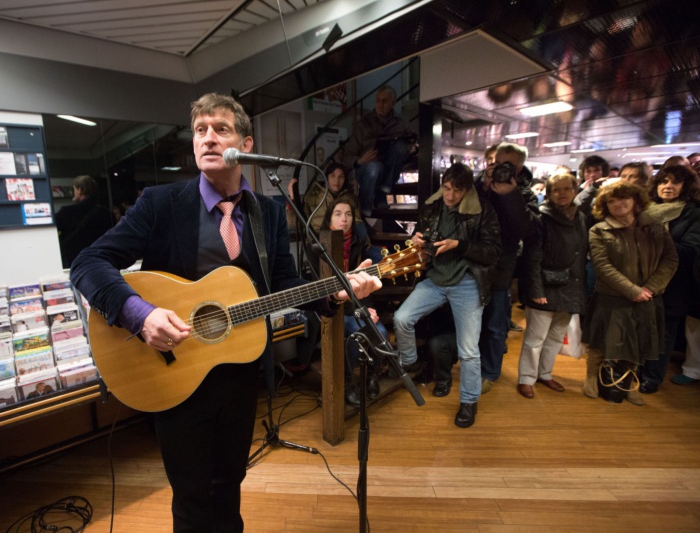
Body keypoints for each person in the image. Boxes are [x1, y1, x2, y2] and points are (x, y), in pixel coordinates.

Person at [70, 93, 381, 532]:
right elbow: (88, 264)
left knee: (230, 483)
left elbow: (283, 286)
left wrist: (336, 292)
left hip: (238, 373)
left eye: (221, 129)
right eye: (200, 130)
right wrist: (141, 315)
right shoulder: (160, 204)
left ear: (246, 143)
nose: (208, 139)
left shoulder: (268, 212)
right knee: (192, 497)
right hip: (174, 373)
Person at [392, 163, 501, 428]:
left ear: (468, 190)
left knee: (468, 351)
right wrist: (417, 239)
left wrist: (459, 245)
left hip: (466, 282)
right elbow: (424, 238)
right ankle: (408, 361)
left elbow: (492, 251)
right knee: (402, 318)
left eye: (457, 190)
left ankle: (468, 402)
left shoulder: (482, 209)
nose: (450, 195)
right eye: (447, 188)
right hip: (436, 279)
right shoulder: (434, 206)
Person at [582, 181, 678, 405]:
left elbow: (670, 259)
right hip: (612, 296)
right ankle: (590, 377)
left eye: (623, 198)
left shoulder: (654, 226)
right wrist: (632, 290)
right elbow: (602, 266)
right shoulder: (599, 230)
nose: (618, 204)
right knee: (601, 341)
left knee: (637, 341)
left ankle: (627, 382)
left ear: (635, 200)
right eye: (611, 201)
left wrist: (650, 288)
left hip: (648, 296)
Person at [517, 173, 588, 398]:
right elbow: (532, 257)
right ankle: (526, 378)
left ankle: (545, 373)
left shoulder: (580, 217)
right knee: (535, 338)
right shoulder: (541, 218)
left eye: (567, 188)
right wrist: (536, 291)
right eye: (557, 189)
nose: (562, 193)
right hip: (545, 286)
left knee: (556, 336)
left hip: (570, 287)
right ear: (548, 193)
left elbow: (581, 254)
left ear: (575, 191)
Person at [475, 142, 538, 394]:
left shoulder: (526, 194)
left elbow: (529, 231)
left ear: (519, 167)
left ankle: (490, 372)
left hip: (502, 268)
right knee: (474, 321)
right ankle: (474, 365)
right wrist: (484, 188)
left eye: (508, 165)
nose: (501, 168)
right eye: (498, 162)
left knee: (495, 323)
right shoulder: (480, 184)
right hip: (475, 264)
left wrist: (509, 195)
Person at [315, 196, 388, 405]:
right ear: (330, 217)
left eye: (348, 214)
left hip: (356, 305)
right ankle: (347, 383)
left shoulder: (359, 244)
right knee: (353, 335)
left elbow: (365, 284)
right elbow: (324, 292)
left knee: (381, 333)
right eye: (338, 214)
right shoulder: (318, 247)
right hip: (332, 309)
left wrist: (369, 308)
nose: (344, 219)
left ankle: (371, 377)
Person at [638, 165, 700, 393]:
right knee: (640, 326)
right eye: (664, 181)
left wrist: (654, 242)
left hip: (674, 283)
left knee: (664, 331)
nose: (668, 186)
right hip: (641, 278)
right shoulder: (646, 209)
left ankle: (652, 377)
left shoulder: (693, 212)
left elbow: (691, 249)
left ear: (685, 186)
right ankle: (636, 369)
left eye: (675, 182)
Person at [342, 85, 415, 216]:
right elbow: (347, 156)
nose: (380, 104)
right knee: (375, 167)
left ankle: (383, 191)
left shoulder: (402, 123)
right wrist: (360, 161)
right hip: (368, 169)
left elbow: (411, 144)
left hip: (390, 168)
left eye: (385, 101)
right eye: (378, 100)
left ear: (393, 103)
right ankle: (365, 210)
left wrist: (412, 149)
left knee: (401, 146)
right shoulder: (363, 123)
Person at [55, 175, 115, 269]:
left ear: (80, 190)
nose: (73, 192)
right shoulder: (107, 214)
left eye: (74, 189)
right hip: (102, 261)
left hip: (75, 262)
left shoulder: (66, 212)